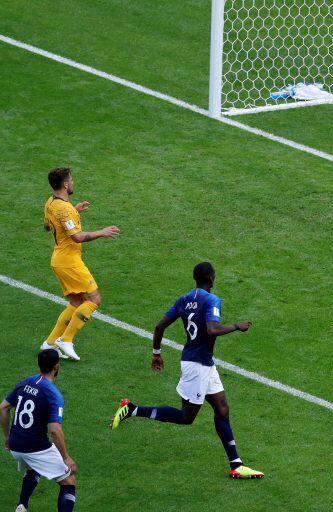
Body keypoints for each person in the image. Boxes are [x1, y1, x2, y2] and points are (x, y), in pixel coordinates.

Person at [108, 262, 264, 479]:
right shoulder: (212, 300)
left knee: (222, 409)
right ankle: (132, 409)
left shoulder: (184, 299)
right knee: (186, 417)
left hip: (203, 363)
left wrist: (156, 353)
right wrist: (237, 326)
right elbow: (212, 329)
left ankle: (236, 464)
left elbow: (159, 326)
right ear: (211, 278)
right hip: (196, 366)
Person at [40, 167, 120, 361]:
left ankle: (49, 344)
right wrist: (102, 232)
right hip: (69, 262)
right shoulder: (64, 209)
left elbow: (47, 225)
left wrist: (74, 212)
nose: (73, 183)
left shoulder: (51, 203)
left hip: (59, 259)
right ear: (65, 184)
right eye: (72, 180)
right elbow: (77, 237)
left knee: (76, 302)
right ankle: (66, 340)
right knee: (94, 299)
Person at [1, 350, 77, 512]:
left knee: (34, 467)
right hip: (34, 448)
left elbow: (3, 408)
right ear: (56, 366)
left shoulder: (26, 382)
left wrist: (7, 436)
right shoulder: (54, 395)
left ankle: (22, 506)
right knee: (69, 480)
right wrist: (66, 457)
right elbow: (55, 430)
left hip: (15, 445)